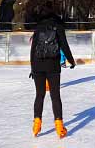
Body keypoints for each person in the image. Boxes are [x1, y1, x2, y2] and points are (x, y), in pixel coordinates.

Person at [30, 7, 75, 139]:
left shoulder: (38, 27)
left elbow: (33, 49)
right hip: (53, 66)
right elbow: (64, 46)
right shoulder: (58, 27)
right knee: (55, 96)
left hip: (38, 65)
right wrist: (71, 61)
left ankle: (36, 124)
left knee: (39, 95)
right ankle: (59, 126)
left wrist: (32, 68)